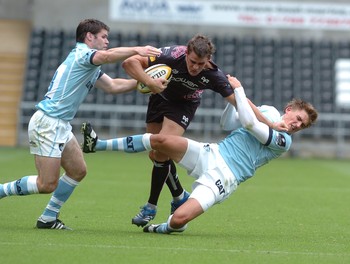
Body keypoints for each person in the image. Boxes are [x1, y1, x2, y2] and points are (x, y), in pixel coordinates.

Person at [81, 34, 288, 227]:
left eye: (201, 63)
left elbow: (241, 102)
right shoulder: (172, 55)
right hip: (159, 96)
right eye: (192, 62)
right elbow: (130, 63)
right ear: (186, 53)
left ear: (208, 59)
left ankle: (150, 206)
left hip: (184, 106)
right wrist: (149, 82)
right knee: (156, 154)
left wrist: (270, 125)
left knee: (161, 148)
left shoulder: (213, 75)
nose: (196, 67)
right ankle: (179, 195)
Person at [81, 75, 318, 234]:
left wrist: (237, 89)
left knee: (179, 220)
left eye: (302, 125)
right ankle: (98, 145)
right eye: (298, 118)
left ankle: (164, 225)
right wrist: (232, 100)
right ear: (289, 110)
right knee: (161, 143)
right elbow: (227, 123)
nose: (297, 125)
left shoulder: (283, 140)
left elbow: (248, 123)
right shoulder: (267, 111)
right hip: (212, 153)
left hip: (225, 177)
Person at [0, 19, 165, 230]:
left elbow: (113, 85)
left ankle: (48, 218)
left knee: (78, 170)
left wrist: (146, 81)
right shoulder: (82, 55)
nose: (107, 41)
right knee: (46, 184)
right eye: (103, 37)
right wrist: (137, 50)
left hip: (59, 124)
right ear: (89, 37)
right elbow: (106, 56)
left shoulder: (88, 62)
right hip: (48, 123)